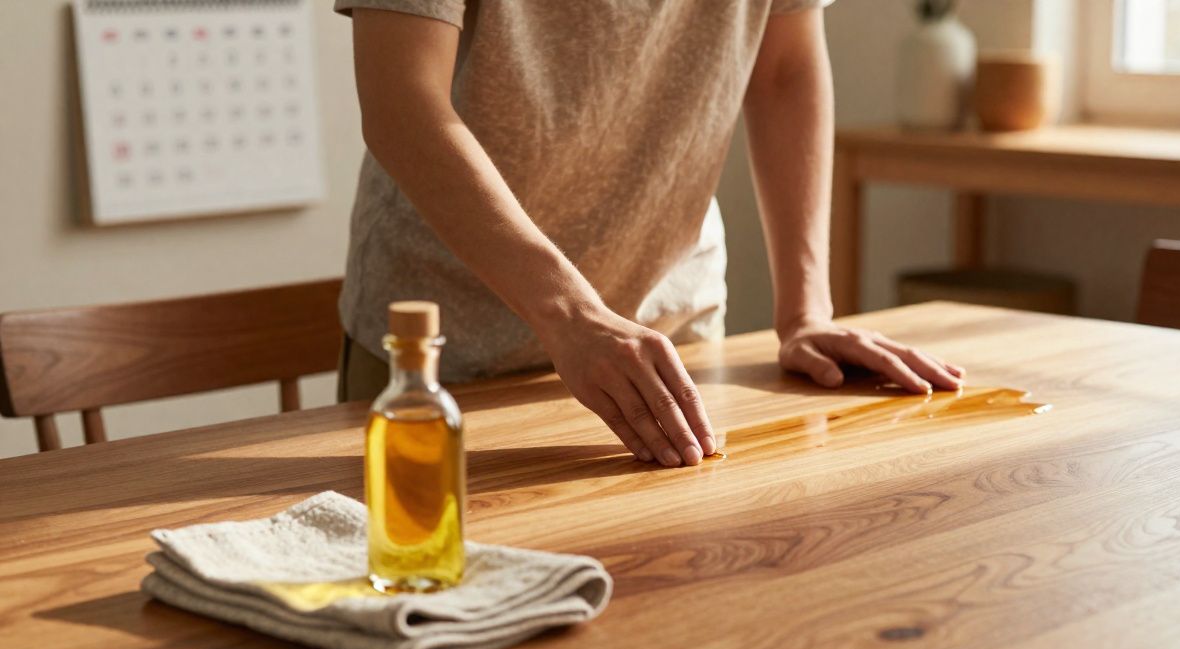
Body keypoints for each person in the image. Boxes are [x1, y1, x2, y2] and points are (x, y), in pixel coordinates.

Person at [334, 0, 965, 468]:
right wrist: (572, 315)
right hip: (442, 353)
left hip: (674, 350)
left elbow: (784, 68)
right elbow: (402, 103)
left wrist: (806, 313)